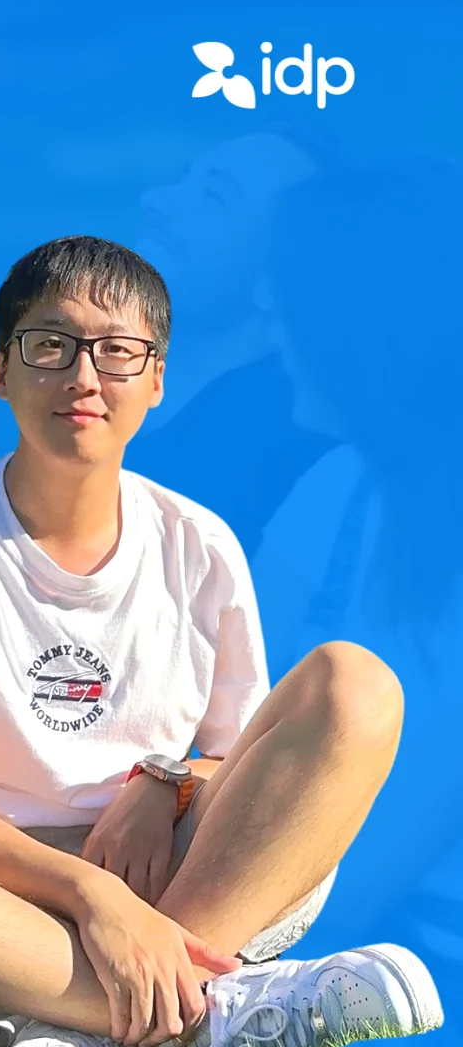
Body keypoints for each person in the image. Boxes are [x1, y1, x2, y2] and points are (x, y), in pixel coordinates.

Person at [0, 235, 443, 1047]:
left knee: (353, 684)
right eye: (50, 346)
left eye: (116, 353)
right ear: (1, 371)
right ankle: (196, 1014)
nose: (81, 377)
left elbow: (232, 754)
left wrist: (164, 780)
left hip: (171, 882)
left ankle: (129, 1014)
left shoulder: (201, 543)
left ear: (155, 381)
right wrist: (90, 898)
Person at [251, 160, 463, 1034]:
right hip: (288, 918)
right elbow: (209, 710)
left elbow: (381, 862)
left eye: (290, 292)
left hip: (409, 971)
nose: (268, 309)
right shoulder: (341, 488)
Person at [125, 126, 340, 558]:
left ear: (280, 274)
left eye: (214, 197)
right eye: (184, 178)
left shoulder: (279, 453)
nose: (154, 198)